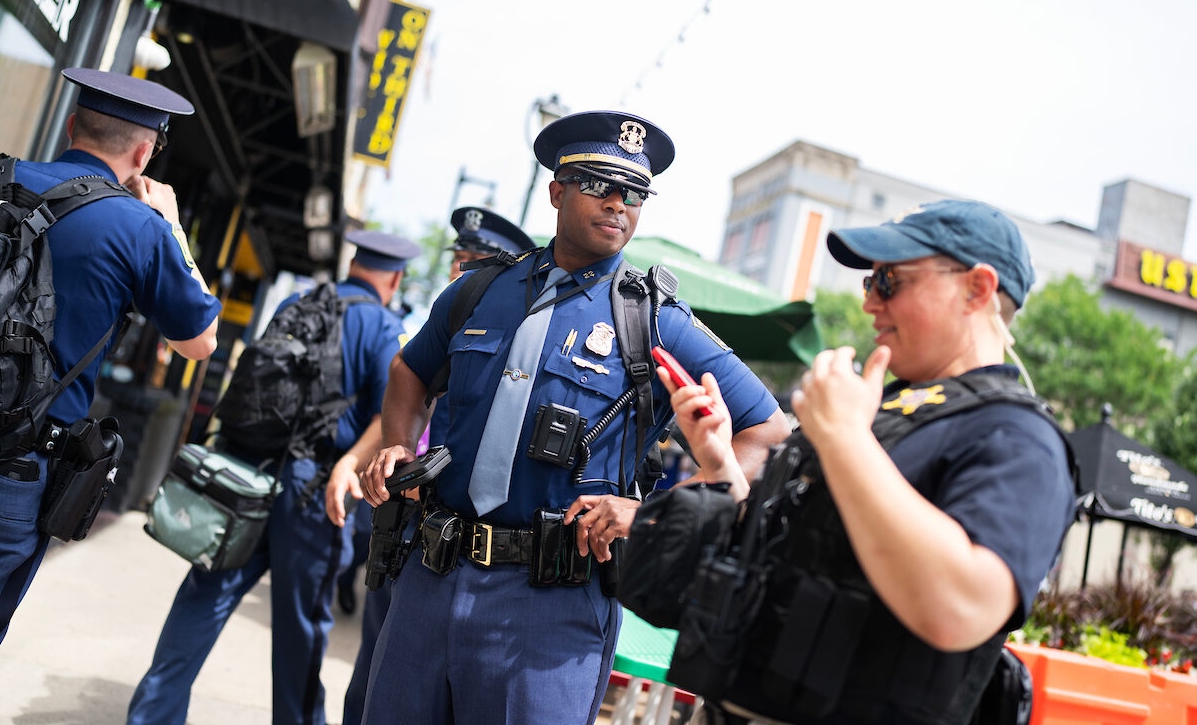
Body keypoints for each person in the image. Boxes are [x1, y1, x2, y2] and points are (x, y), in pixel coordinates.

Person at [358, 110, 790, 724]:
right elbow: (410, 371)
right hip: (430, 577)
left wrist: (655, 514)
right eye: (601, 185)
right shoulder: (480, 291)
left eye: (635, 193)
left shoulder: (653, 319)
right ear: (557, 191)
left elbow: (766, 432)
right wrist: (399, 444)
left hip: (549, 609)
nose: (620, 204)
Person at [661, 200, 1076, 724]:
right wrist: (720, 462)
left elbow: (963, 606)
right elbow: (801, 549)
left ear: (977, 289)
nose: (869, 304)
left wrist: (844, 439)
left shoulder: (1017, 436)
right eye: (869, 283)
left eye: (889, 282)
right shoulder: (881, 409)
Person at [127, 230, 420, 725]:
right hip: (314, 493)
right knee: (299, 631)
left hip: (246, 476)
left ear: (353, 263)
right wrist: (350, 463)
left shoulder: (297, 301)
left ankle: (151, 717)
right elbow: (388, 414)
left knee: (202, 600)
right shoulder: (383, 326)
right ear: (394, 278)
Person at [0, 68, 221, 649]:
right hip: (16, 470)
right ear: (144, 154)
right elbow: (201, 342)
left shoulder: (3, 180)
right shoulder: (141, 228)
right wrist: (174, 229)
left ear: (72, 125)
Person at [327, 206, 536, 725]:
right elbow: (405, 395)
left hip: (466, 542)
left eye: (473, 261)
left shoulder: (516, 333)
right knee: (375, 679)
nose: (458, 273)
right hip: (409, 527)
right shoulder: (449, 325)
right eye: (457, 260)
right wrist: (354, 462)